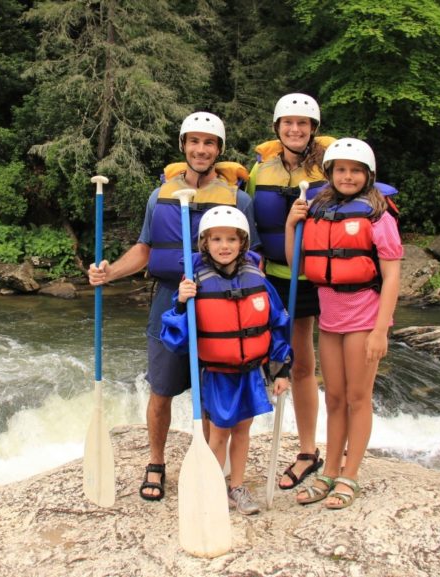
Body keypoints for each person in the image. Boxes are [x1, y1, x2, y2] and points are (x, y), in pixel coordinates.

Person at [87, 112, 259, 501]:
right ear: (183, 146)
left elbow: (253, 256)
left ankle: (213, 469)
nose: (201, 149)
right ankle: (156, 461)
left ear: (219, 150)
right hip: (169, 298)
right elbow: (145, 249)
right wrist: (109, 272)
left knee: (214, 389)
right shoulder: (159, 195)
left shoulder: (239, 200)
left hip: (220, 303)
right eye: (194, 142)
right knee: (161, 389)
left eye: (209, 143)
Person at [284, 137, 402, 509]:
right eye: (340, 169)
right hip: (330, 318)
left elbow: (392, 275)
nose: (347, 176)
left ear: (367, 175)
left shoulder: (377, 215)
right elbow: (296, 266)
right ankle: (329, 470)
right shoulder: (318, 211)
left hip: (365, 315)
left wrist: (381, 330)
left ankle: (350, 474)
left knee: (356, 397)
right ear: (330, 173)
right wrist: (291, 225)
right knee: (333, 397)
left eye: (355, 170)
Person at [159, 205, 292, 515]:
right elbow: (175, 336)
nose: (224, 246)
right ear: (205, 243)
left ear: (243, 243)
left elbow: (278, 324)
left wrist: (281, 369)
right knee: (219, 432)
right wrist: (181, 302)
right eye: (216, 239)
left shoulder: (256, 278)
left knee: (243, 430)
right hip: (218, 374)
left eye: (232, 239)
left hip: (250, 372)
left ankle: (237, 486)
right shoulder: (194, 282)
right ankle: (212, 484)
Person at [247, 93, 336, 490]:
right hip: (273, 276)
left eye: (303, 123)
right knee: (267, 356)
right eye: (288, 123)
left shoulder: (331, 169)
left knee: (303, 361)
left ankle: (307, 451)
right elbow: (246, 221)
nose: (295, 129)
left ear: (313, 128)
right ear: (277, 128)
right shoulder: (260, 170)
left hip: (314, 276)